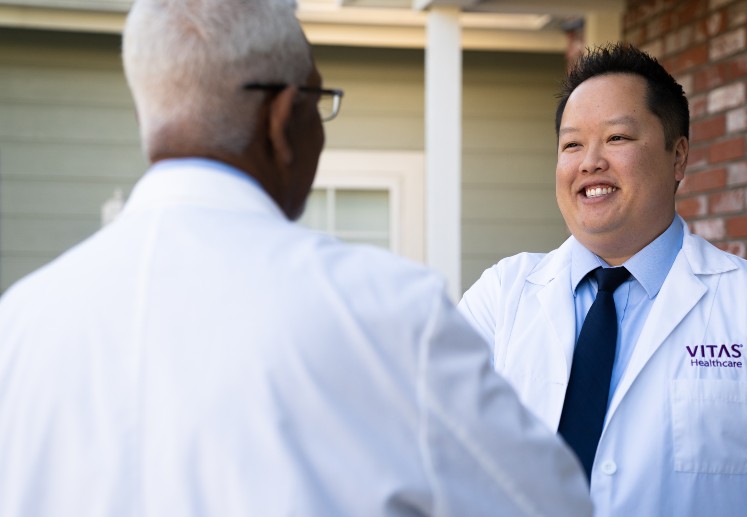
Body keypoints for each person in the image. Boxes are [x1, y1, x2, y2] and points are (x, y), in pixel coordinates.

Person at [0, 1, 593, 515]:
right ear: (284, 119)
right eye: (319, 99)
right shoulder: (382, 310)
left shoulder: (18, 324)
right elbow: (546, 505)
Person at [459, 42, 747, 516]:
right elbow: (435, 456)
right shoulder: (501, 298)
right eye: (571, 143)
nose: (590, 162)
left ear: (678, 157)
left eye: (618, 138)